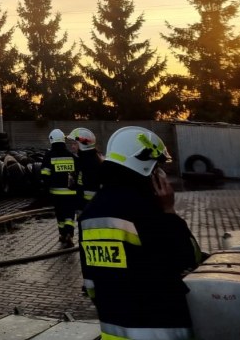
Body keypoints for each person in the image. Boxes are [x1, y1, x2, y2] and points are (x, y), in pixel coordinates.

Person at [78, 126, 203, 340]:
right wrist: (169, 211)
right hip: (163, 330)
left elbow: (90, 284)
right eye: (157, 168)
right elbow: (189, 258)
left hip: (113, 330)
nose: (160, 174)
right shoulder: (146, 209)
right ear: (144, 166)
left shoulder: (89, 215)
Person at [40, 128, 78, 244]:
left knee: (60, 215)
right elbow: (77, 174)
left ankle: (62, 234)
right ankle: (70, 235)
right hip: (71, 193)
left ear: (51, 140)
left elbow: (45, 174)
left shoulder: (49, 156)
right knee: (69, 216)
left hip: (56, 193)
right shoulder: (71, 156)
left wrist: (46, 189)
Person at [68, 127, 103, 207]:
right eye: (72, 144)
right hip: (86, 206)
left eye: (75, 143)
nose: (72, 146)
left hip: (91, 207)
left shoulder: (91, 163)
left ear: (83, 145)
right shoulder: (83, 160)